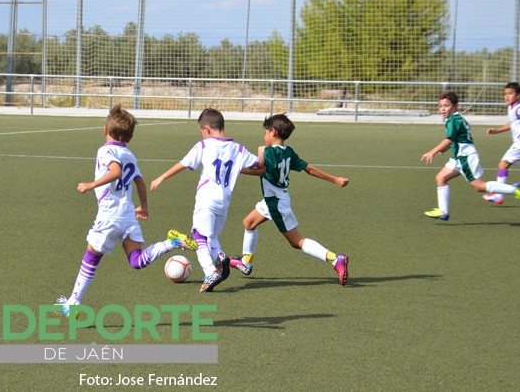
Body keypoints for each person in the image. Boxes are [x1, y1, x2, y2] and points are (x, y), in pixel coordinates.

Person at [53, 105, 191, 316]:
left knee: (91, 258)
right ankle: (171, 243)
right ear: (130, 137)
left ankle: (73, 303)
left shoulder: (105, 150)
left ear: (105, 130)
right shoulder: (130, 154)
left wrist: (90, 185)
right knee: (136, 261)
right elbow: (140, 182)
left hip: (109, 216)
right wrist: (144, 207)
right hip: (127, 215)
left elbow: (115, 171)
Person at [228, 114, 350, 285]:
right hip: (275, 198)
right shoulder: (289, 152)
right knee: (249, 223)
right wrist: (334, 179)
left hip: (275, 202)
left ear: (274, 132)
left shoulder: (268, 151)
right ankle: (246, 262)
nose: (264, 136)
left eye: (266, 132)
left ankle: (335, 259)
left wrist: (237, 169)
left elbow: (260, 169)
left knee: (296, 241)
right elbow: (309, 169)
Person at [150, 108, 260, 292]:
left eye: (202, 131)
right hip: (224, 202)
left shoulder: (204, 145)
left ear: (207, 129)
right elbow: (259, 165)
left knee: (200, 238)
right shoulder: (239, 149)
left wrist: (161, 177)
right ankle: (226, 260)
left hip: (206, 199)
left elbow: (183, 164)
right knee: (212, 238)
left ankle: (210, 272)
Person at [422, 91, 520, 221]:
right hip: (459, 157)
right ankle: (443, 211)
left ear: (455, 106)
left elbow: (450, 139)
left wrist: (432, 151)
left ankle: (513, 189)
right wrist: (445, 149)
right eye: (440, 106)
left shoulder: (453, 120)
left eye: (446, 106)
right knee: (440, 178)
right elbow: (459, 139)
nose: (443, 109)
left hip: (465, 157)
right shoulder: (456, 119)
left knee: (479, 186)